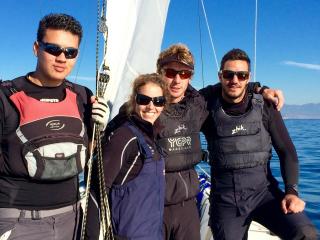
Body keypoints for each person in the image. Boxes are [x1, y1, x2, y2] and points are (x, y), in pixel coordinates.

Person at [155, 43, 285, 240]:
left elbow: (230, 85)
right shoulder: (145, 106)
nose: (177, 79)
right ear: (160, 72)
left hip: (185, 204)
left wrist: (259, 88)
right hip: (152, 201)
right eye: (171, 72)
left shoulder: (197, 103)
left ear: (190, 76)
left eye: (184, 74)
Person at [0, 13, 108, 240]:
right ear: (36, 48)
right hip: (19, 221)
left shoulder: (82, 96)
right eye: (53, 49)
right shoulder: (5, 97)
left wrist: (100, 129)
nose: (62, 58)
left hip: (73, 218)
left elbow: (87, 152)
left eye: (70, 52)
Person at [200, 48, 318, 240]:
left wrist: (292, 192)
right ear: (220, 76)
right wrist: (259, 86)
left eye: (242, 75)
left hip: (265, 194)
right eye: (229, 74)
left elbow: (286, 150)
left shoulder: (265, 106)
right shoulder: (206, 107)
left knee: (305, 233)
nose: (235, 80)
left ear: (248, 77)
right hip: (226, 200)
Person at [87, 73, 169, 239]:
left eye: (158, 101)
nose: (151, 106)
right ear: (134, 101)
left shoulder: (154, 137)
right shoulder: (125, 136)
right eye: (144, 100)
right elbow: (97, 190)